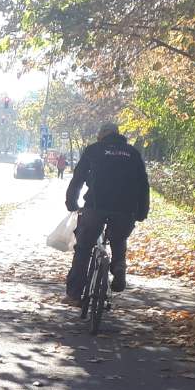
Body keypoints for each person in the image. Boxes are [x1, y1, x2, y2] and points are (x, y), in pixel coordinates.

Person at [65, 122, 149, 298]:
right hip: (125, 210)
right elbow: (143, 184)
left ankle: (74, 293)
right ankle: (119, 265)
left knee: (83, 248)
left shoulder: (94, 150)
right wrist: (142, 211)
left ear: (101, 135)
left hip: (96, 207)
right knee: (118, 241)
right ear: (118, 134)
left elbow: (78, 179)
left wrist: (72, 202)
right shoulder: (132, 153)